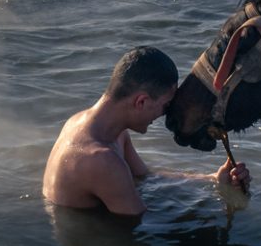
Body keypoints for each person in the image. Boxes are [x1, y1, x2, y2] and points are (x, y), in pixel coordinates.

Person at [43, 46, 249, 217]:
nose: (163, 115)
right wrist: (227, 209)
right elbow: (140, 224)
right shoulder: (102, 161)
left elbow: (146, 177)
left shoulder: (85, 124)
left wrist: (213, 179)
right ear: (141, 101)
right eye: (165, 106)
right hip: (90, 243)